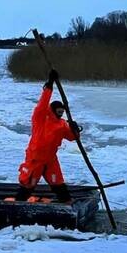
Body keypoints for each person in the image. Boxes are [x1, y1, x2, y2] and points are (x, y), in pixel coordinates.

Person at [15, 69, 81, 203]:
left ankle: (67, 204)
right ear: (52, 110)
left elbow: (72, 137)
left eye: (62, 112)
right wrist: (50, 84)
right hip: (35, 158)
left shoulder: (62, 124)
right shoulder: (40, 118)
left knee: (58, 183)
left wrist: (75, 130)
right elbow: (43, 103)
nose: (60, 114)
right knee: (28, 184)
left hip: (51, 159)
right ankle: (17, 204)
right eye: (58, 112)